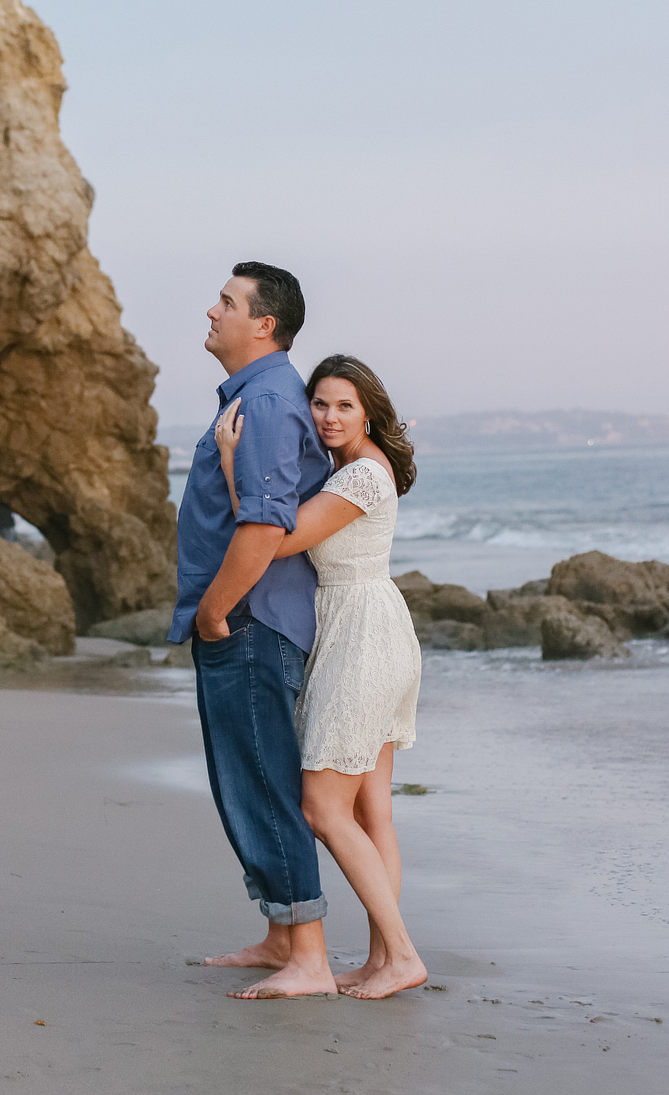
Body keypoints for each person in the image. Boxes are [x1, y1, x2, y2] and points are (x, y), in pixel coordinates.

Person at [214, 353, 427, 999]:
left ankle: (405, 955)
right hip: (375, 628)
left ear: (369, 413)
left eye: (345, 405)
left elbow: (275, 540)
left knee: (322, 806)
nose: (330, 416)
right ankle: (381, 957)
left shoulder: (361, 475)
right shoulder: (353, 469)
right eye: (321, 403)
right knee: (372, 811)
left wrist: (232, 465)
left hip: (362, 638)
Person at [171, 262, 337, 1000]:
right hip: (247, 619)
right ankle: (281, 934)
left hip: (251, 621)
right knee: (243, 778)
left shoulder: (267, 402)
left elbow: (266, 524)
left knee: (263, 782)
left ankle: (311, 955)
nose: (212, 310)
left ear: (264, 323)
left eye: (228, 301)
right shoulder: (255, 396)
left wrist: (214, 612)